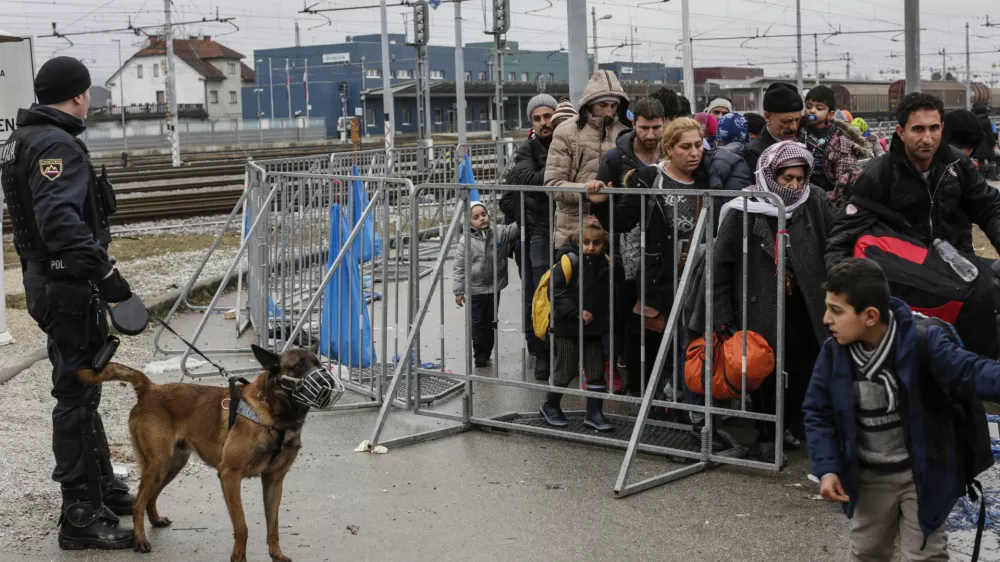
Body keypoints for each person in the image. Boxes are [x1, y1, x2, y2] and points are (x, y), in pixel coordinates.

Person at [0, 57, 136, 550]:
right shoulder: (57, 143)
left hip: (48, 283)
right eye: (88, 98)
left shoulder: (24, 139)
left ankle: (105, 489)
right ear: (79, 96)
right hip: (68, 287)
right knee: (76, 395)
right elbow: (59, 222)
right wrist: (107, 273)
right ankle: (79, 513)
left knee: (83, 385)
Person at [803, 258, 1000, 562]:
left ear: (870, 316)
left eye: (836, 311)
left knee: (924, 555)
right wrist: (827, 467)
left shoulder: (923, 341)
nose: (826, 319)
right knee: (868, 552)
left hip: (920, 474)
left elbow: (970, 371)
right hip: (868, 478)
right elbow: (818, 411)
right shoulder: (834, 353)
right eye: (827, 307)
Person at [713, 141, 833, 461]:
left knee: (804, 364)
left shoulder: (816, 201)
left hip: (806, 303)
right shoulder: (745, 208)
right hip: (760, 304)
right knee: (765, 369)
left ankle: (789, 425)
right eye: (787, 179)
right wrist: (721, 313)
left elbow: (834, 244)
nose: (795, 186)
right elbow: (719, 265)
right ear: (769, 174)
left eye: (800, 178)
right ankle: (768, 435)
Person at [826, 92, 1000, 267]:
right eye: (918, 129)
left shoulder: (957, 164)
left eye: (934, 128)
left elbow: (990, 208)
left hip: (958, 274)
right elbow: (843, 237)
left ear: (942, 128)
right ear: (901, 132)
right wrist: (843, 285)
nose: (927, 138)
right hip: (906, 282)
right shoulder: (879, 173)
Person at [615, 118, 708, 402]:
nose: (694, 153)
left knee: (686, 341)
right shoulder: (650, 176)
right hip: (655, 273)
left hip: (693, 275)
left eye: (697, 145)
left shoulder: (706, 178)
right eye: (685, 147)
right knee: (649, 339)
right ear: (669, 148)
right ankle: (642, 399)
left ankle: (675, 399)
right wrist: (599, 199)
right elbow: (622, 219)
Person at [503, 93, 560, 379]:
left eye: (547, 116)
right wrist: (558, 176)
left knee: (566, 292)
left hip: (565, 229)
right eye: (537, 118)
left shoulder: (568, 143)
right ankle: (540, 352)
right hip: (534, 233)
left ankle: (564, 350)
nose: (543, 123)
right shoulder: (527, 148)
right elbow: (524, 179)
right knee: (535, 296)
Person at [538, 216, 614, 432]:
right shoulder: (568, 260)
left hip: (593, 327)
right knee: (566, 368)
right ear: (576, 239)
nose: (591, 247)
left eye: (596, 243)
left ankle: (594, 412)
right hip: (567, 326)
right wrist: (575, 312)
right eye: (586, 242)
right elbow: (557, 291)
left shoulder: (607, 263)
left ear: (604, 242)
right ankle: (550, 405)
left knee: (596, 369)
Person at [544, 70, 629, 250]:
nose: (608, 112)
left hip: (614, 231)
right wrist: (589, 192)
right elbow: (552, 185)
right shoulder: (566, 132)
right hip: (573, 232)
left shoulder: (625, 133)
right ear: (589, 104)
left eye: (614, 106)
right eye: (603, 105)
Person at [453, 201, 519, 368]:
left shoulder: (499, 233)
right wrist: (459, 291)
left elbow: (516, 228)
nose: (481, 218)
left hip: (494, 287)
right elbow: (459, 268)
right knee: (477, 322)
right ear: (468, 222)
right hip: (475, 289)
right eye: (476, 217)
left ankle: (487, 350)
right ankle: (479, 353)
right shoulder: (465, 242)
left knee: (491, 321)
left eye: (484, 214)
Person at [797, 85, 870, 198]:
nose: (812, 111)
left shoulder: (841, 139)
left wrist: (833, 195)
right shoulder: (799, 130)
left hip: (827, 190)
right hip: (800, 186)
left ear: (830, 114)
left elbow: (845, 174)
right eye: (808, 106)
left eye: (819, 108)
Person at [745, 82, 803, 173]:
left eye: (797, 120)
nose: (794, 127)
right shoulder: (754, 152)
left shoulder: (801, 143)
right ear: (768, 117)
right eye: (786, 121)